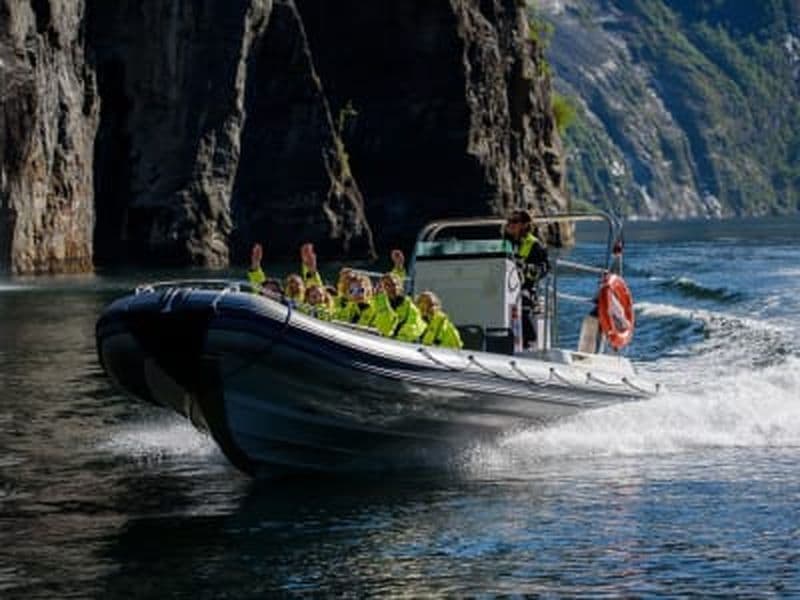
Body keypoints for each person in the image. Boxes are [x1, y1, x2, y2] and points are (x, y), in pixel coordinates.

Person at [505, 209, 550, 348]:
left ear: (524, 225)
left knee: (522, 301)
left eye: (514, 221)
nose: (510, 224)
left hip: (525, 288)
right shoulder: (504, 242)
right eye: (509, 221)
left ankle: (529, 341)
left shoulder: (534, 245)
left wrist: (527, 268)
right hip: (503, 285)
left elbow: (544, 268)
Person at [378, 272, 426, 342]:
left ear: (400, 286)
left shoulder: (409, 305)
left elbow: (414, 326)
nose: (391, 288)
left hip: (402, 344)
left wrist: (398, 339)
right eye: (387, 285)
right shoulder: (378, 303)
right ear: (382, 288)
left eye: (394, 284)